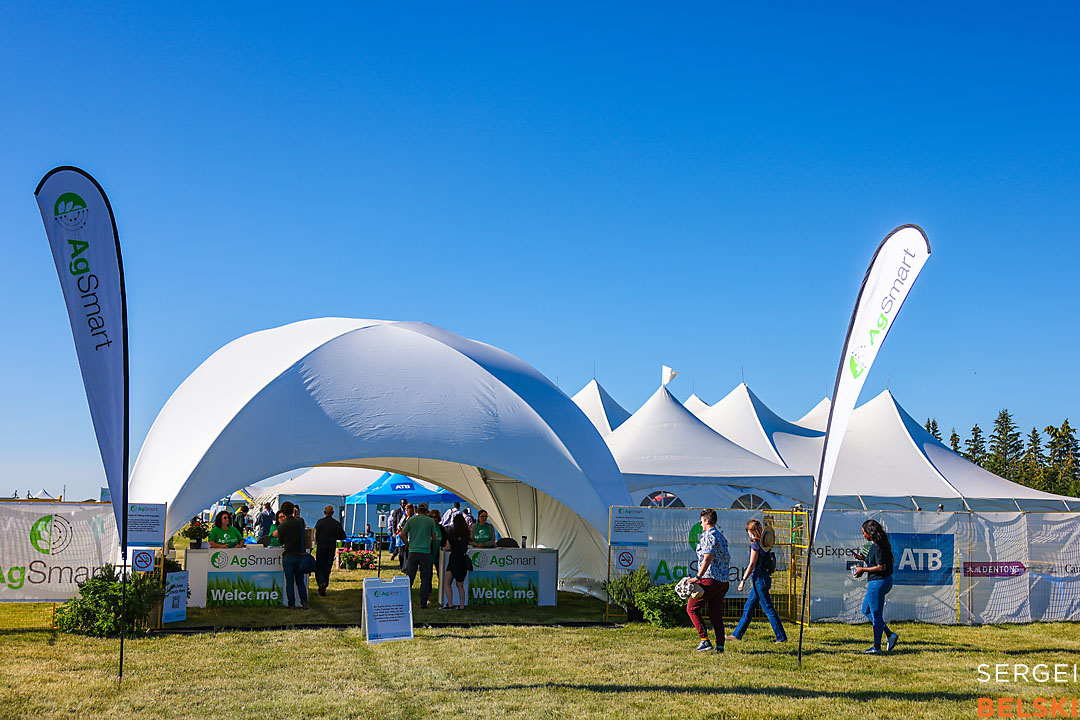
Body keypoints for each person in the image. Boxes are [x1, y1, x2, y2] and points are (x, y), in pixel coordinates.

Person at [728, 519, 787, 644]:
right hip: (763, 579)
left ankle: (781, 637)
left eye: (748, 531)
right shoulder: (764, 544)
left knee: (769, 609)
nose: (748, 534)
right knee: (748, 608)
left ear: (752, 531)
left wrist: (743, 580)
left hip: (759, 580)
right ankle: (736, 634)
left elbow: (752, 564)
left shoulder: (755, 545)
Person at [686, 508, 730, 653]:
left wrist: (697, 577)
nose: (700, 523)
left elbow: (707, 558)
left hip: (710, 579)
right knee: (715, 613)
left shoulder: (708, 536)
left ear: (707, 521)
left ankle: (704, 640)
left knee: (692, 608)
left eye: (702, 520)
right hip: (723, 581)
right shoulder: (721, 536)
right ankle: (721, 646)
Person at [853, 518, 898, 654]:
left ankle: (876, 647)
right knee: (866, 610)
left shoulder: (876, 546)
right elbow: (876, 562)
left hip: (878, 582)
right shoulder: (880, 544)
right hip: (883, 581)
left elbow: (880, 566)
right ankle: (890, 634)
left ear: (870, 532)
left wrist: (862, 570)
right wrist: (863, 559)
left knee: (876, 615)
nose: (863, 536)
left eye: (864, 533)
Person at [399, 501, 438, 608]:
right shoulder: (430, 521)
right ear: (426, 511)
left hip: (413, 552)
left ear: (417, 510)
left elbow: (402, 534)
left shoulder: (411, 520)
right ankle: (423, 603)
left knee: (410, 577)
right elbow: (434, 537)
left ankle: (405, 601)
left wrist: (408, 544)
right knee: (425, 579)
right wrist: (429, 541)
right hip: (425, 552)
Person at [276, 501, 309, 609]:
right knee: (300, 581)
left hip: (288, 556)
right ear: (293, 510)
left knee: (289, 582)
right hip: (299, 554)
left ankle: (291, 604)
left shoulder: (282, 526)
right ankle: (304, 602)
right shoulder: (300, 521)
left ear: (283, 512)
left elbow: (281, 542)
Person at [314, 505, 346, 596]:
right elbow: (343, 536)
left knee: (319, 567)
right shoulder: (336, 523)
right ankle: (325, 583)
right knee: (327, 568)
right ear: (333, 513)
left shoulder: (320, 522)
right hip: (331, 547)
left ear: (324, 513)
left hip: (321, 547)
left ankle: (321, 582)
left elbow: (315, 535)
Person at [441, 514, 471, 610]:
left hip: (453, 559)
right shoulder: (466, 534)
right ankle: (462, 606)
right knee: (460, 585)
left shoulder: (452, 534)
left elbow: (447, 547)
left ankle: (450, 604)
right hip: (462, 560)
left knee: (447, 583)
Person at [389, 498, 408, 563]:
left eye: (405, 503)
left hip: (407, 532)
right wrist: (394, 532)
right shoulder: (396, 511)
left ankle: (405, 563)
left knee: (406, 548)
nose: (404, 505)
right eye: (403, 503)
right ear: (400, 504)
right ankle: (401, 562)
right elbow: (394, 523)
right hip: (399, 532)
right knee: (400, 548)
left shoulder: (408, 511)